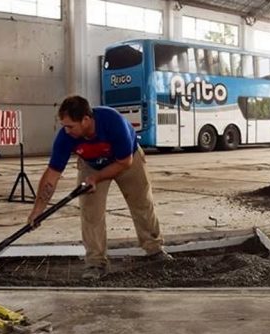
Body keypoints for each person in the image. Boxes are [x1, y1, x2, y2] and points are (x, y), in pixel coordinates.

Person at [28, 95, 172, 279]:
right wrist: (38, 210)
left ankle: (154, 249)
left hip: (127, 160)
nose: (66, 130)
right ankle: (96, 263)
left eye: (70, 126)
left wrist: (97, 177)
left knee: (141, 203)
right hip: (90, 164)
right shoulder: (66, 137)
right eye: (64, 126)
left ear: (86, 120)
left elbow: (124, 162)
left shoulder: (113, 122)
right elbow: (52, 174)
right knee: (91, 212)